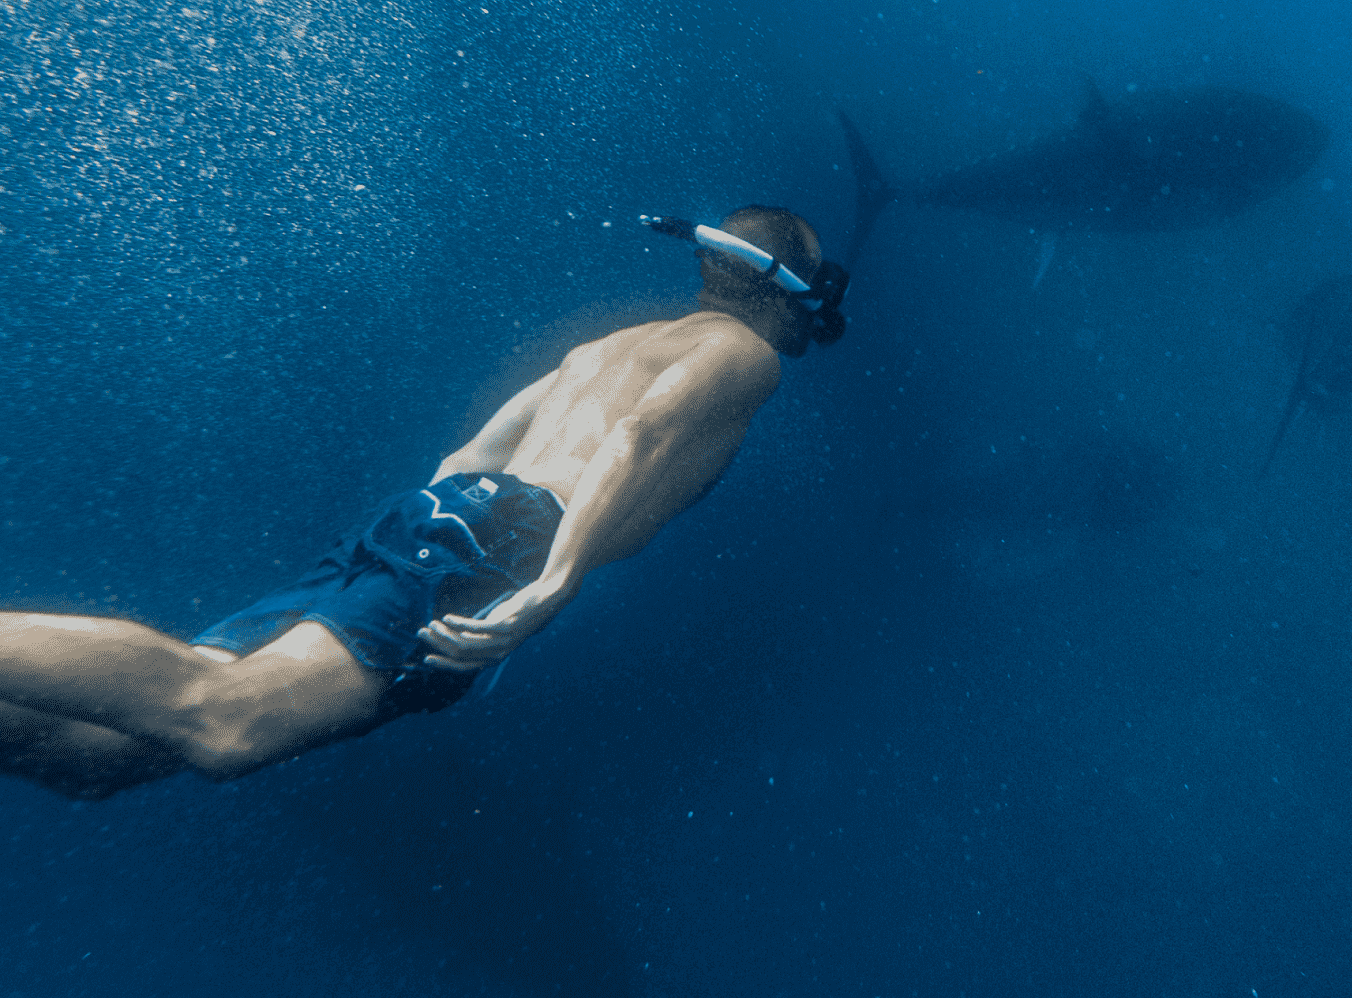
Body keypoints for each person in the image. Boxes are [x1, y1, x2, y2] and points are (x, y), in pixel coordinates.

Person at [0, 206, 846, 802]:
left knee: (103, 759)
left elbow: (467, 458)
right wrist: (552, 583)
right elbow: (641, 439)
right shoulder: (746, 352)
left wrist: (446, 547)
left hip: (442, 517)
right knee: (228, 721)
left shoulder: (609, 345)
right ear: (782, 290)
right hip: (508, 541)